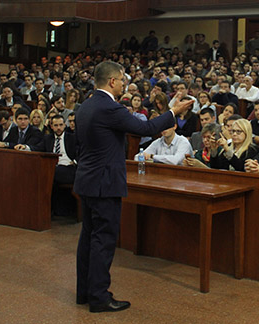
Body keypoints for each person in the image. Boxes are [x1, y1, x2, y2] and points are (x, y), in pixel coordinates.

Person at [73, 61, 192, 313]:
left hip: (86, 179)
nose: (125, 85)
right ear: (113, 81)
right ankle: (99, 297)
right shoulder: (110, 108)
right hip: (105, 183)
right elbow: (145, 128)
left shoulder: (85, 106)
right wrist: (172, 113)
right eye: (122, 80)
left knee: (88, 238)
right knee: (103, 241)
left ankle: (84, 292)